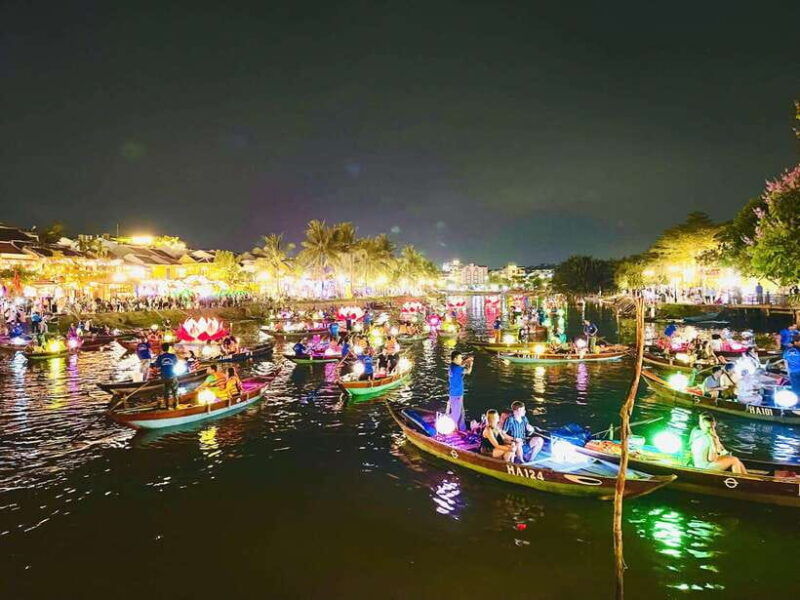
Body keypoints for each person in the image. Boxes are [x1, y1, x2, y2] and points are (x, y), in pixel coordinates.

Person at [447, 351, 473, 431]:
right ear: (455, 359)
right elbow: (468, 371)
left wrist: (466, 360)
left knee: (461, 413)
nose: (461, 359)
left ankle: (462, 429)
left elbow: (461, 364)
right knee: (456, 414)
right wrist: (470, 364)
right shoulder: (457, 369)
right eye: (460, 358)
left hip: (455, 393)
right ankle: (452, 430)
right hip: (457, 394)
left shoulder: (452, 366)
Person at [153, 343, 179, 409]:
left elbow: (157, 366)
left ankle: (167, 406)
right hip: (172, 376)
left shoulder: (160, 357)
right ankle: (175, 405)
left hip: (164, 377)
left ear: (162, 348)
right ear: (168, 348)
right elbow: (176, 363)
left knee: (166, 392)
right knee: (175, 392)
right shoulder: (173, 356)